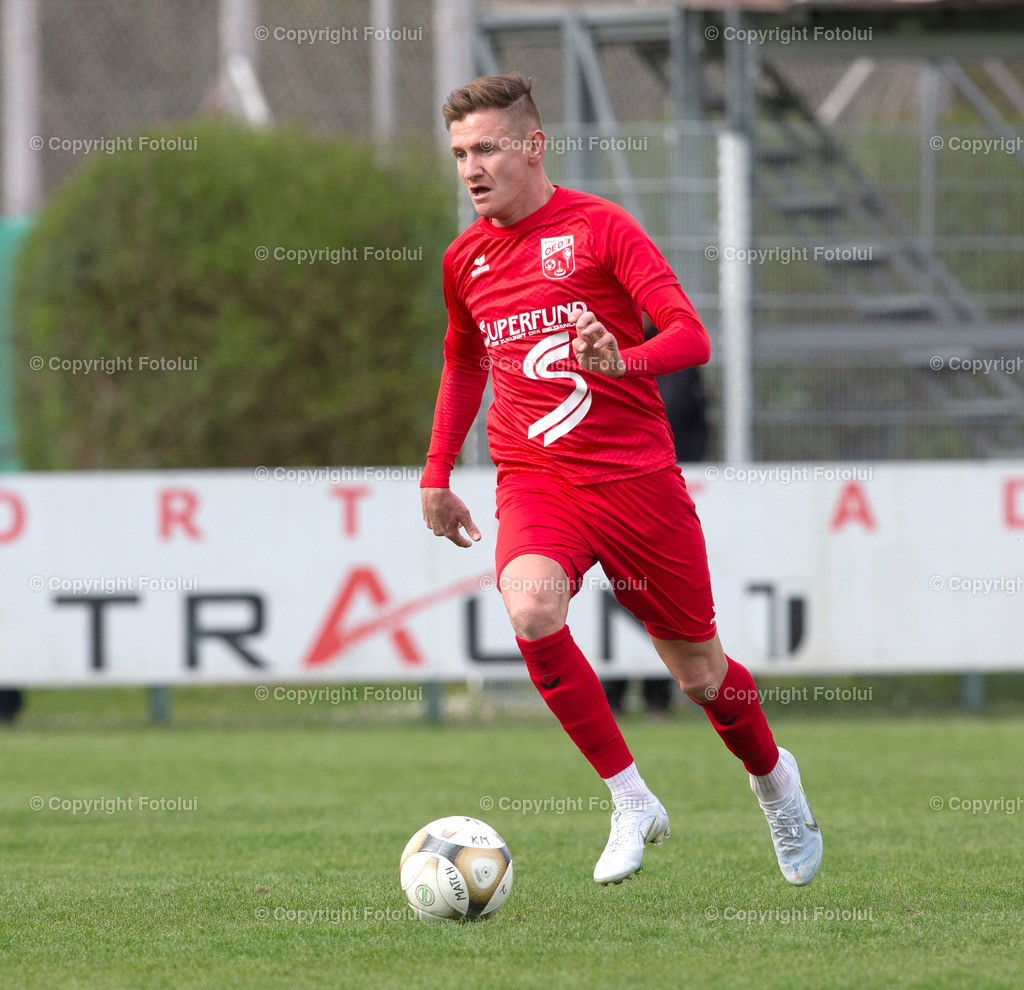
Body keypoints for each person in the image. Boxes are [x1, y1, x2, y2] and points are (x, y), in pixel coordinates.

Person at [420, 72, 821, 886]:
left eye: (488, 147)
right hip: (536, 479)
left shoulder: (600, 229)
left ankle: (775, 780)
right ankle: (631, 798)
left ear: (533, 146)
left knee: (702, 676)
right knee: (532, 610)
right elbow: (464, 360)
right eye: (461, 152)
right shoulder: (463, 259)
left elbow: (691, 335)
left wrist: (623, 358)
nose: (471, 168)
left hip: (634, 481)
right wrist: (437, 471)